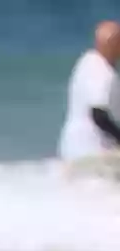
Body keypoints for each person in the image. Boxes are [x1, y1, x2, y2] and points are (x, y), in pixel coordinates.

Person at [59, 22, 120, 164]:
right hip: (93, 152)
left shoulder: (86, 61)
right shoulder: (103, 73)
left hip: (71, 148)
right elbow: (98, 115)